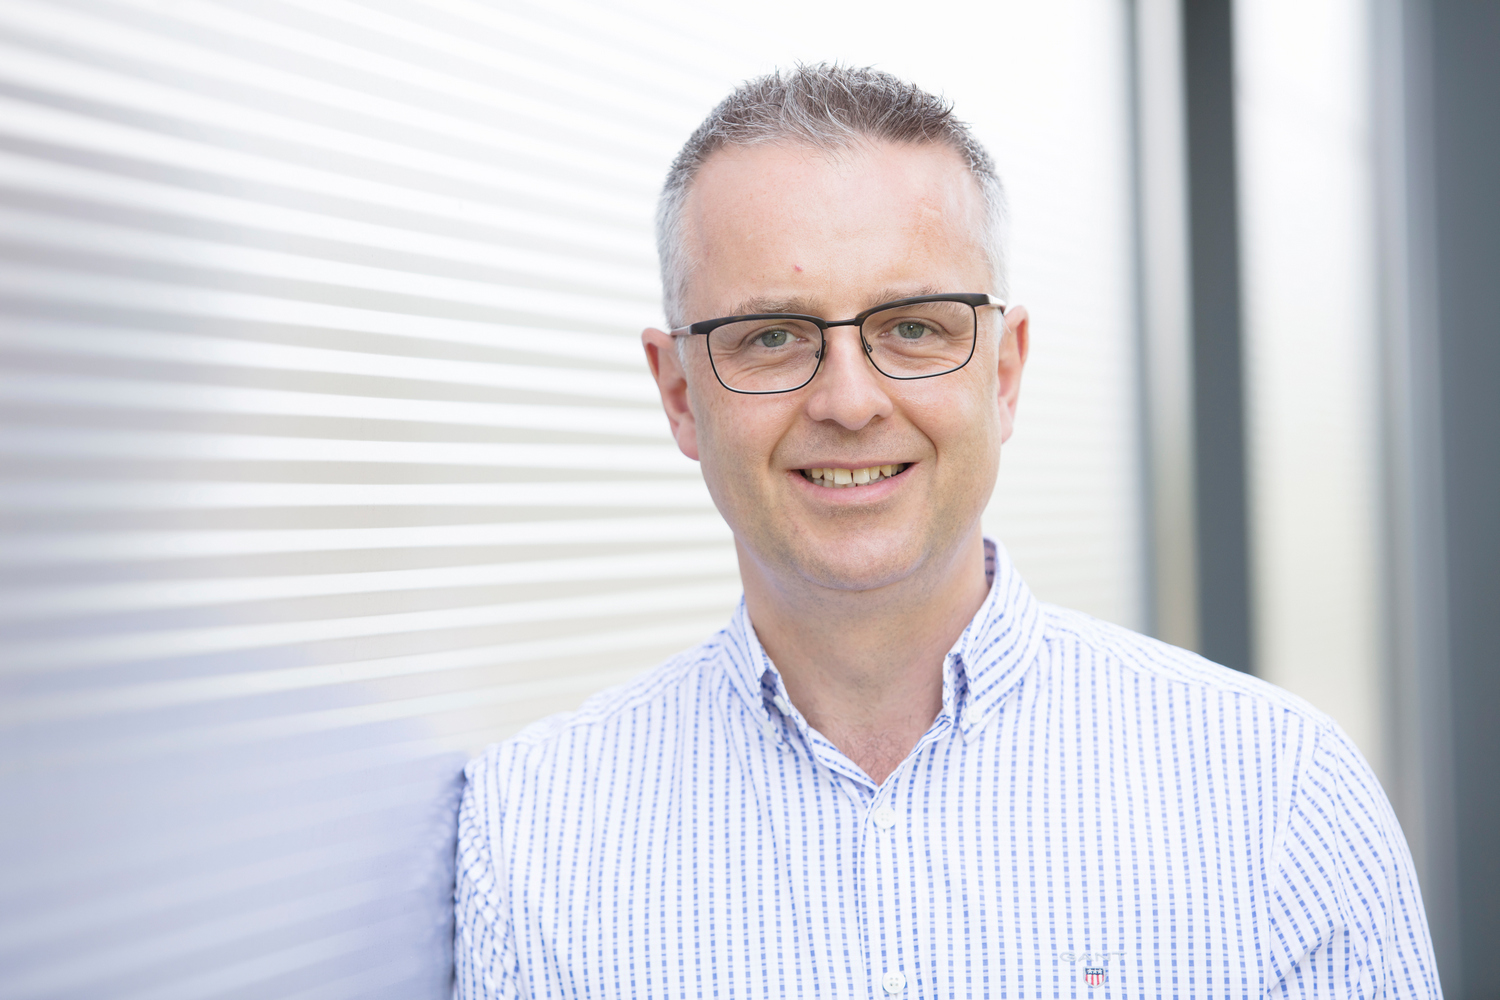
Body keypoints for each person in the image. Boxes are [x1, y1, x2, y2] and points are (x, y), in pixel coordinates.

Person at [455, 65, 1438, 999]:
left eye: (914, 327)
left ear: (1004, 371)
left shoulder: (1275, 794)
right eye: (773, 337)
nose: (849, 402)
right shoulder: (533, 834)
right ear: (679, 393)